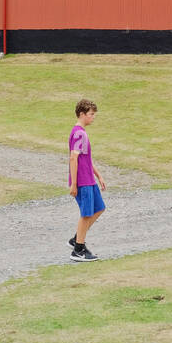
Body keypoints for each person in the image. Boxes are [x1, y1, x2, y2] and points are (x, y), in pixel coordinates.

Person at [68, 99, 106, 261]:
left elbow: (86, 159)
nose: (93, 117)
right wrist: (74, 183)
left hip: (89, 179)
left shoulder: (82, 133)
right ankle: (78, 250)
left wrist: (98, 175)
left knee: (99, 208)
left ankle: (77, 239)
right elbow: (73, 159)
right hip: (82, 181)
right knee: (86, 214)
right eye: (91, 114)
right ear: (82, 114)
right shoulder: (79, 134)